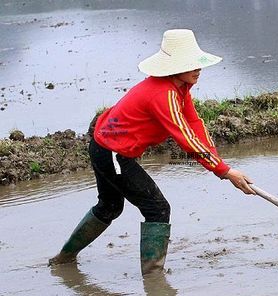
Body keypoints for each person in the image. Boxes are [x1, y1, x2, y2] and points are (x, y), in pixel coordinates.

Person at [48, 29, 255, 275]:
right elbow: (185, 138)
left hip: (105, 146)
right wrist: (225, 171)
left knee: (110, 207)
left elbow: (194, 125)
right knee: (157, 209)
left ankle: (63, 260)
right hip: (113, 153)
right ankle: (154, 279)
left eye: (198, 64)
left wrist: (221, 164)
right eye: (191, 64)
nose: (198, 69)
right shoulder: (163, 94)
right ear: (174, 66)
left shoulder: (179, 87)